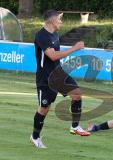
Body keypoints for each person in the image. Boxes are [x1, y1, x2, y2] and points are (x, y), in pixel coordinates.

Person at [30, 9, 90, 149]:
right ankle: (35, 137)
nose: (61, 22)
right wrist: (74, 48)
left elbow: (56, 55)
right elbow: (52, 56)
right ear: (51, 20)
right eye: (59, 19)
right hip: (46, 78)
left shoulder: (55, 34)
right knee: (44, 108)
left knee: (76, 94)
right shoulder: (41, 36)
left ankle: (75, 126)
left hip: (58, 74)